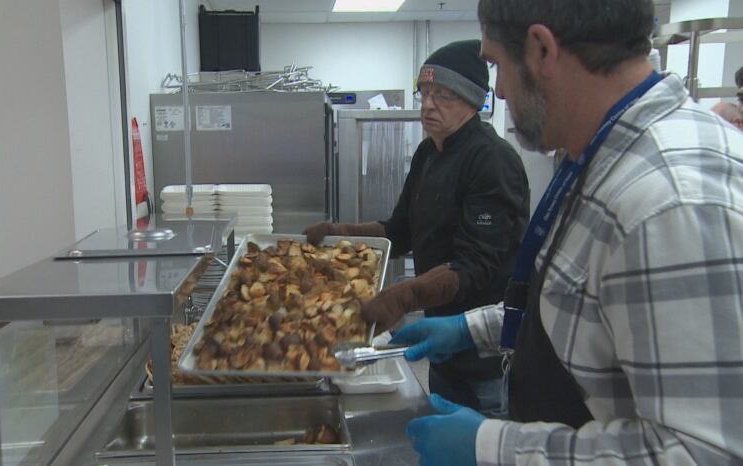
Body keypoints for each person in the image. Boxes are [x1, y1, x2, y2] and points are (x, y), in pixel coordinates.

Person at [393, 0, 743, 465]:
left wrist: (493, 447)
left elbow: (702, 453)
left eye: (496, 64)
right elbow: (581, 298)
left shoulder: (671, 202)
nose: (497, 88)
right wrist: (471, 328)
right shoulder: (600, 157)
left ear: (541, 49)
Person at [304, 40, 529, 415]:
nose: (427, 104)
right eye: (424, 93)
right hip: (441, 343)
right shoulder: (428, 153)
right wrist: (338, 232)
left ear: (473, 100)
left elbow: (476, 266)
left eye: (442, 95)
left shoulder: (492, 161)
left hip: (483, 354)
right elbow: (399, 231)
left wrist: (404, 297)